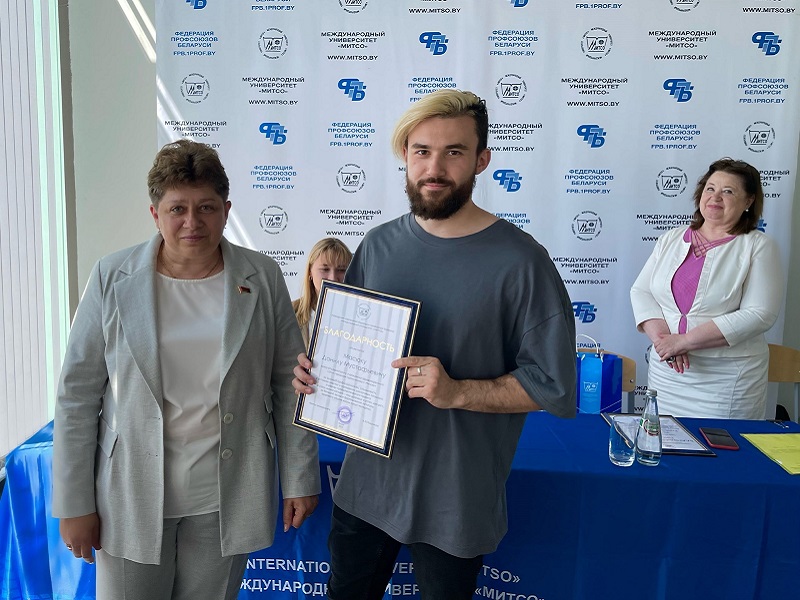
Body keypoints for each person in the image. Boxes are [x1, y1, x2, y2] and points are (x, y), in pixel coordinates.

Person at [292, 89, 577, 599]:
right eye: (422, 151)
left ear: (481, 160)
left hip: (456, 500)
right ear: (405, 156)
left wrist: (458, 391)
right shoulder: (377, 246)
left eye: (454, 152)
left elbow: (552, 386)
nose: (434, 168)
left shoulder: (522, 262)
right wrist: (318, 375)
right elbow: (349, 351)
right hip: (367, 487)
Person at [52, 139, 321, 600]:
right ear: (155, 214)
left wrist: (300, 476)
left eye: (206, 208)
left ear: (226, 210)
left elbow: (290, 382)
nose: (192, 222)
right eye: (177, 208)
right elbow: (77, 395)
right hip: (131, 495)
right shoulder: (111, 278)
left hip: (225, 497)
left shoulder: (262, 277)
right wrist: (74, 503)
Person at [630, 157, 784, 419]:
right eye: (710, 188)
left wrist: (684, 342)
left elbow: (760, 314)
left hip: (726, 382)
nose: (715, 197)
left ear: (748, 201)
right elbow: (641, 292)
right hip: (668, 374)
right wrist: (665, 342)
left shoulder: (758, 246)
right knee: (664, 439)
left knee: (720, 444)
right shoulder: (671, 238)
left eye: (728, 191)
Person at [292, 237, 353, 348]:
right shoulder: (290, 313)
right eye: (325, 269)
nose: (333, 278)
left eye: (341, 270)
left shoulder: (362, 318)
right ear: (310, 272)